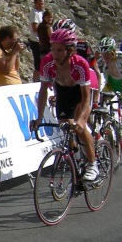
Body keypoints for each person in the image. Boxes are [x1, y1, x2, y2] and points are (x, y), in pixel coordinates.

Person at [30, 29, 98, 181]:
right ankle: (77, 157)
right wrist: (39, 118)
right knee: (65, 125)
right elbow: (43, 91)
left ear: (70, 50)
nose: (55, 54)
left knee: (80, 128)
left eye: (60, 50)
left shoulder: (80, 64)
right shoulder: (47, 62)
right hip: (62, 90)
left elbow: (86, 97)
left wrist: (81, 120)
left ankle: (92, 164)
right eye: (53, 49)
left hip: (79, 92)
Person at [98, 36, 122, 155]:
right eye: (102, 54)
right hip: (111, 85)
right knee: (101, 105)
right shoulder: (101, 62)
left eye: (107, 54)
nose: (105, 57)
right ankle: (108, 125)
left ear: (113, 51)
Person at [28, 0, 45, 82]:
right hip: (36, 41)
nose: (41, 6)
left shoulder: (40, 13)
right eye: (39, 4)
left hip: (40, 41)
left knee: (42, 62)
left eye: (42, 4)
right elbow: (35, 29)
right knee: (38, 64)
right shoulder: (35, 13)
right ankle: (35, 81)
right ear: (35, 4)